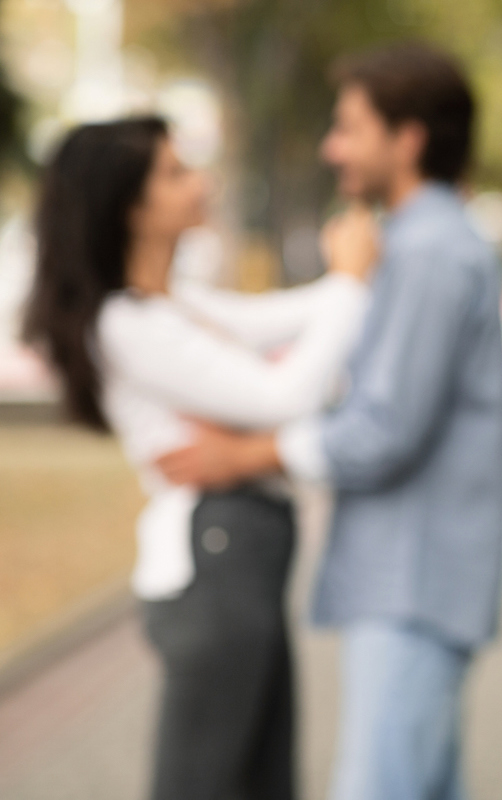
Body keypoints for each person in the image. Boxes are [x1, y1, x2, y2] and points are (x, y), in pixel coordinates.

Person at [155, 43, 502, 800]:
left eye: (349, 128)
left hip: (412, 582)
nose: (331, 148)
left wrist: (247, 455)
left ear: (408, 139)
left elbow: (385, 429)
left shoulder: (428, 254)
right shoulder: (412, 245)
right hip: (412, 576)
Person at [22, 116, 375, 799]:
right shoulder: (126, 324)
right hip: (216, 562)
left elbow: (288, 318)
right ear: (129, 206)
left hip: (240, 560)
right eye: (175, 173)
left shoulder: (173, 305)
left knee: (260, 778)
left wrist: (348, 276)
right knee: (203, 783)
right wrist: (352, 282)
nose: (200, 183)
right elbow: (283, 395)